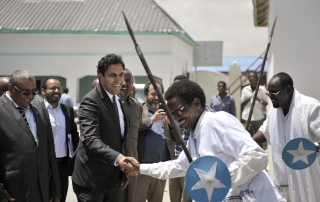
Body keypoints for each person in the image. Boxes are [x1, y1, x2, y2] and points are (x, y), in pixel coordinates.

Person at [126, 79, 281, 201]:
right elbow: (177, 167)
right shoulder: (194, 135)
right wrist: (140, 168)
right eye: (172, 114)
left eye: (179, 111)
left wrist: (220, 179)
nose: (176, 118)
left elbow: (257, 156)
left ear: (197, 103)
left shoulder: (216, 121)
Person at [71, 54, 137, 202]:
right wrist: (119, 159)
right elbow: (91, 139)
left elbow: (120, 138)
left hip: (113, 179)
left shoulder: (120, 97)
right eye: (112, 75)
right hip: (92, 181)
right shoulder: (90, 101)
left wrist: (122, 173)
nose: (119, 80)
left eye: (121, 75)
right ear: (100, 76)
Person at [253, 72, 320, 202]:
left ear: (288, 90)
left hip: (307, 180)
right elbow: (264, 132)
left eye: (274, 93)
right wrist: (246, 143)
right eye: (269, 94)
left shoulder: (310, 107)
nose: (271, 97)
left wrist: (313, 147)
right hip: (283, 182)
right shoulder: (274, 112)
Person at [0, 69, 61, 202]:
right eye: (25, 92)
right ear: (11, 88)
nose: (30, 96)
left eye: (34, 92)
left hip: (42, 192)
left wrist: (55, 189)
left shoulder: (40, 111)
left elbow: (50, 153)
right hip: (14, 192)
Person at [39, 78, 79, 202]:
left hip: (62, 165)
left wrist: (77, 156)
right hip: (43, 164)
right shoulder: (36, 109)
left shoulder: (67, 110)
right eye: (52, 88)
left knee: (61, 197)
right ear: (43, 91)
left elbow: (73, 133)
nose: (56, 91)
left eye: (59, 88)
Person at [136, 80, 176, 202]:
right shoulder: (138, 110)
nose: (156, 97)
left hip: (160, 169)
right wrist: (152, 120)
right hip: (141, 168)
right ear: (145, 95)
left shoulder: (167, 112)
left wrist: (171, 124)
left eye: (159, 94)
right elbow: (132, 130)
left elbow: (177, 137)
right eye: (153, 94)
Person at [119, 69, 143, 202]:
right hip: (114, 168)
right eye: (121, 80)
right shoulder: (108, 106)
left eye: (127, 81)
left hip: (132, 169)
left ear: (132, 84)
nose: (124, 83)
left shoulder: (137, 107)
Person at [169, 75, 192, 202]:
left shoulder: (193, 107)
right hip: (174, 156)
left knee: (187, 192)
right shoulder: (170, 107)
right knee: (174, 190)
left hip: (188, 157)